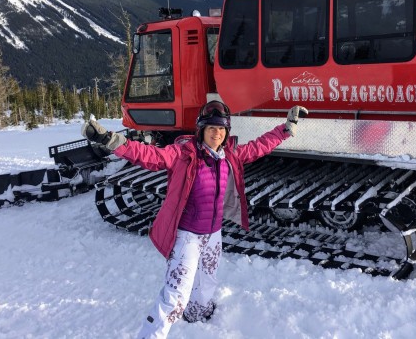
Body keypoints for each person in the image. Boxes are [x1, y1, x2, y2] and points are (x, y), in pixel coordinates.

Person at [81, 101, 308, 339]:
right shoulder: (183, 154)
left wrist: (285, 128)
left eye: (221, 129)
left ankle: (198, 313)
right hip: (187, 235)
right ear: (201, 129)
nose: (216, 133)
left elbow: (259, 146)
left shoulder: (229, 154)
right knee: (176, 293)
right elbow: (148, 155)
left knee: (208, 279)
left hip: (213, 234)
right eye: (211, 128)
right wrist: (111, 140)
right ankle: (151, 335)